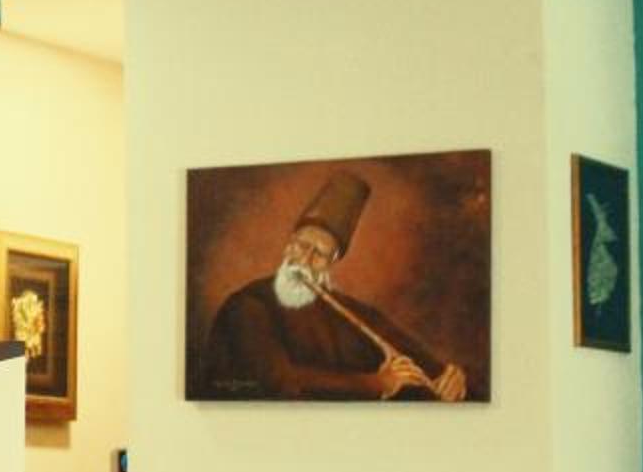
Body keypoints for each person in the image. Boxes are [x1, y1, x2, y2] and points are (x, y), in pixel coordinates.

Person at [197, 172, 467, 401]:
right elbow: (280, 381)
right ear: (288, 245)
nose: (305, 259)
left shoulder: (350, 312)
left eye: (319, 254)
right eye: (302, 245)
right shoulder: (248, 306)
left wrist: (448, 377)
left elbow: (417, 357)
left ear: (331, 262)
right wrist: (377, 383)